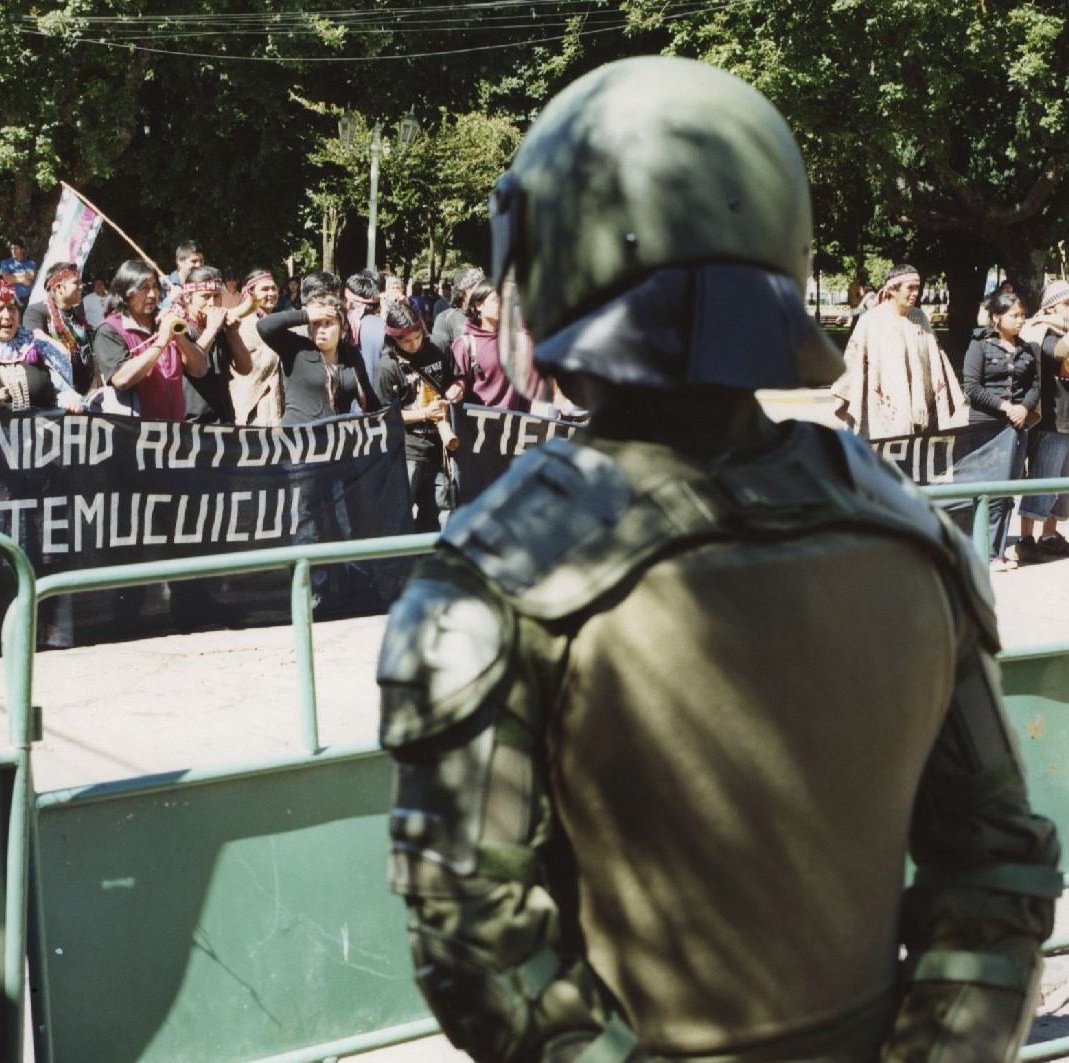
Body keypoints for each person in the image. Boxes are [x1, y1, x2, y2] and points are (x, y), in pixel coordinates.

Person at [377, 55, 1059, 1063]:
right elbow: (998, 875)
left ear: (550, 263)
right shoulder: (911, 537)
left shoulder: (497, 574)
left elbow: (473, 941)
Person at [832, 263, 968, 438]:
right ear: (892, 289)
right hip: (883, 404)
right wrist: (844, 394)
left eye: (917, 288)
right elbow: (853, 358)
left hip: (919, 403)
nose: (915, 293)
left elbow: (936, 357)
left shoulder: (920, 317)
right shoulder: (871, 321)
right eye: (910, 288)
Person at [962, 289, 1039, 570]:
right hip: (986, 427)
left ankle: (997, 551)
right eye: (1014, 315)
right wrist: (1006, 407)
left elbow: (1034, 386)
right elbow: (971, 387)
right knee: (988, 490)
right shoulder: (980, 344)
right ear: (996, 317)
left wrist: (1024, 409)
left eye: (1023, 315)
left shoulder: (1026, 348)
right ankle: (983, 550)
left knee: (1007, 491)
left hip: (1016, 428)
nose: (1021, 320)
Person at [372, 301, 463, 532]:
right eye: (406, 341)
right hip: (408, 449)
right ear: (393, 338)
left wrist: (457, 388)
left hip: (441, 445)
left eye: (418, 337)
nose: (414, 344)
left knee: (442, 507)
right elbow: (383, 416)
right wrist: (424, 413)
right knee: (400, 510)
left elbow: (456, 377)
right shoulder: (387, 367)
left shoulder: (439, 345)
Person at [0, 280, 83, 415]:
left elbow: (63, 392)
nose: (7, 315)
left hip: (41, 427)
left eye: (11, 308)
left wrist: (70, 401)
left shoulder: (40, 347)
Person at [90, 259, 201, 420]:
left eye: (155, 287)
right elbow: (121, 378)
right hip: (136, 430)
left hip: (175, 428)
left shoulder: (165, 320)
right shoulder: (109, 330)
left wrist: (178, 335)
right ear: (125, 291)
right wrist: (161, 342)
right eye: (144, 288)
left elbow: (199, 369)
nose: (152, 294)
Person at [257, 294, 378, 425]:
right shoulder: (297, 349)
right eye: (316, 324)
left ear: (343, 327)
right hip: (298, 434)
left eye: (328, 323)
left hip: (334, 434)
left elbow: (370, 399)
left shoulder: (350, 354)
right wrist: (306, 315)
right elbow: (264, 327)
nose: (320, 330)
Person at [1017, 279, 1069, 562]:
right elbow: (1058, 351)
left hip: (1067, 418)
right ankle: (1026, 538)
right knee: (1043, 479)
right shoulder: (1041, 330)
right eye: (1066, 304)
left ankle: (1049, 535)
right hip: (1050, 419)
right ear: (1050, 307)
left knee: (1063, 486)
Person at [177, 266, 252, 424]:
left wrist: (233, 334)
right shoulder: (179, 327)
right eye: (205, 297)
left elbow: (246, 368)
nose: (212, 303)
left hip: (224, 421)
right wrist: (211, 329)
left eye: (217, 296)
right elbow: (195, 368)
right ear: (187, 297)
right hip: (191, 424)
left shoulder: (220, 329)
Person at [452, 275, 528, 411]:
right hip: (480, 421)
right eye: (496, 300)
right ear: (478, 305)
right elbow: (456, 383)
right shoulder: (465, 345)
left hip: (516, 419)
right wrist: (458, 387)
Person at [23, 262, 94, 393]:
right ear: (59, 287)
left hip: (86, 390)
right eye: (76, 283)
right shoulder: (37, 311)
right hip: (58, 393)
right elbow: (34, 335)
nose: (81, 286)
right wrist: (56, 345)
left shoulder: (78, 313)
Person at [231, 269, 285, 426]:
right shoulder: (244, 323)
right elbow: (248, 365)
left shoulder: (271, 320)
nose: (271, 293)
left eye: (273, 288)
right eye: (265, 289)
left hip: (273, 400)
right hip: (253, 405)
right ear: (250, 294)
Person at [430, 266, 484, 354]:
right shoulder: (445, 319)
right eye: (475, 287)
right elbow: (441, 353)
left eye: (482, 286)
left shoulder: (489, 315)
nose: (481, 291)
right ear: (461, 293)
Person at [0, 239, 37, 304]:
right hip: (13, 299)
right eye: (12, 248)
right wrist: (23, 280)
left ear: (22, 250)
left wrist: (13, 275)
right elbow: (6, 278)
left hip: (30, 297)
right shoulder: (5, 263)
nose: (13, 251)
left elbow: (32, 275)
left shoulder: (30, 263)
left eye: (16, 248)